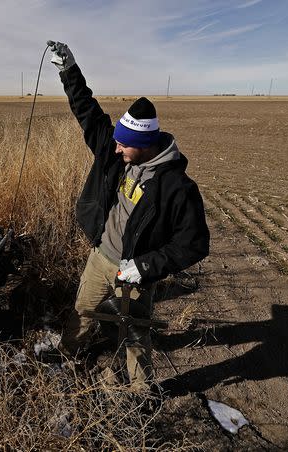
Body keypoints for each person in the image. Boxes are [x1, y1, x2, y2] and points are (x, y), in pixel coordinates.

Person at [47, 40, 210, 390]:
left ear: (146, 144)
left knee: (135, 337)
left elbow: (194, 244)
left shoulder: (177, 188)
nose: (115, 148)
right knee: (82, 312)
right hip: (99, 258)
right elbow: (88, 114)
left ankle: (142, 393)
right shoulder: (118, 154)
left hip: (134, 275)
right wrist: (69, 71)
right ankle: (67, 355)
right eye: (116, 141)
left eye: (124, 143)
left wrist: (146, 266)